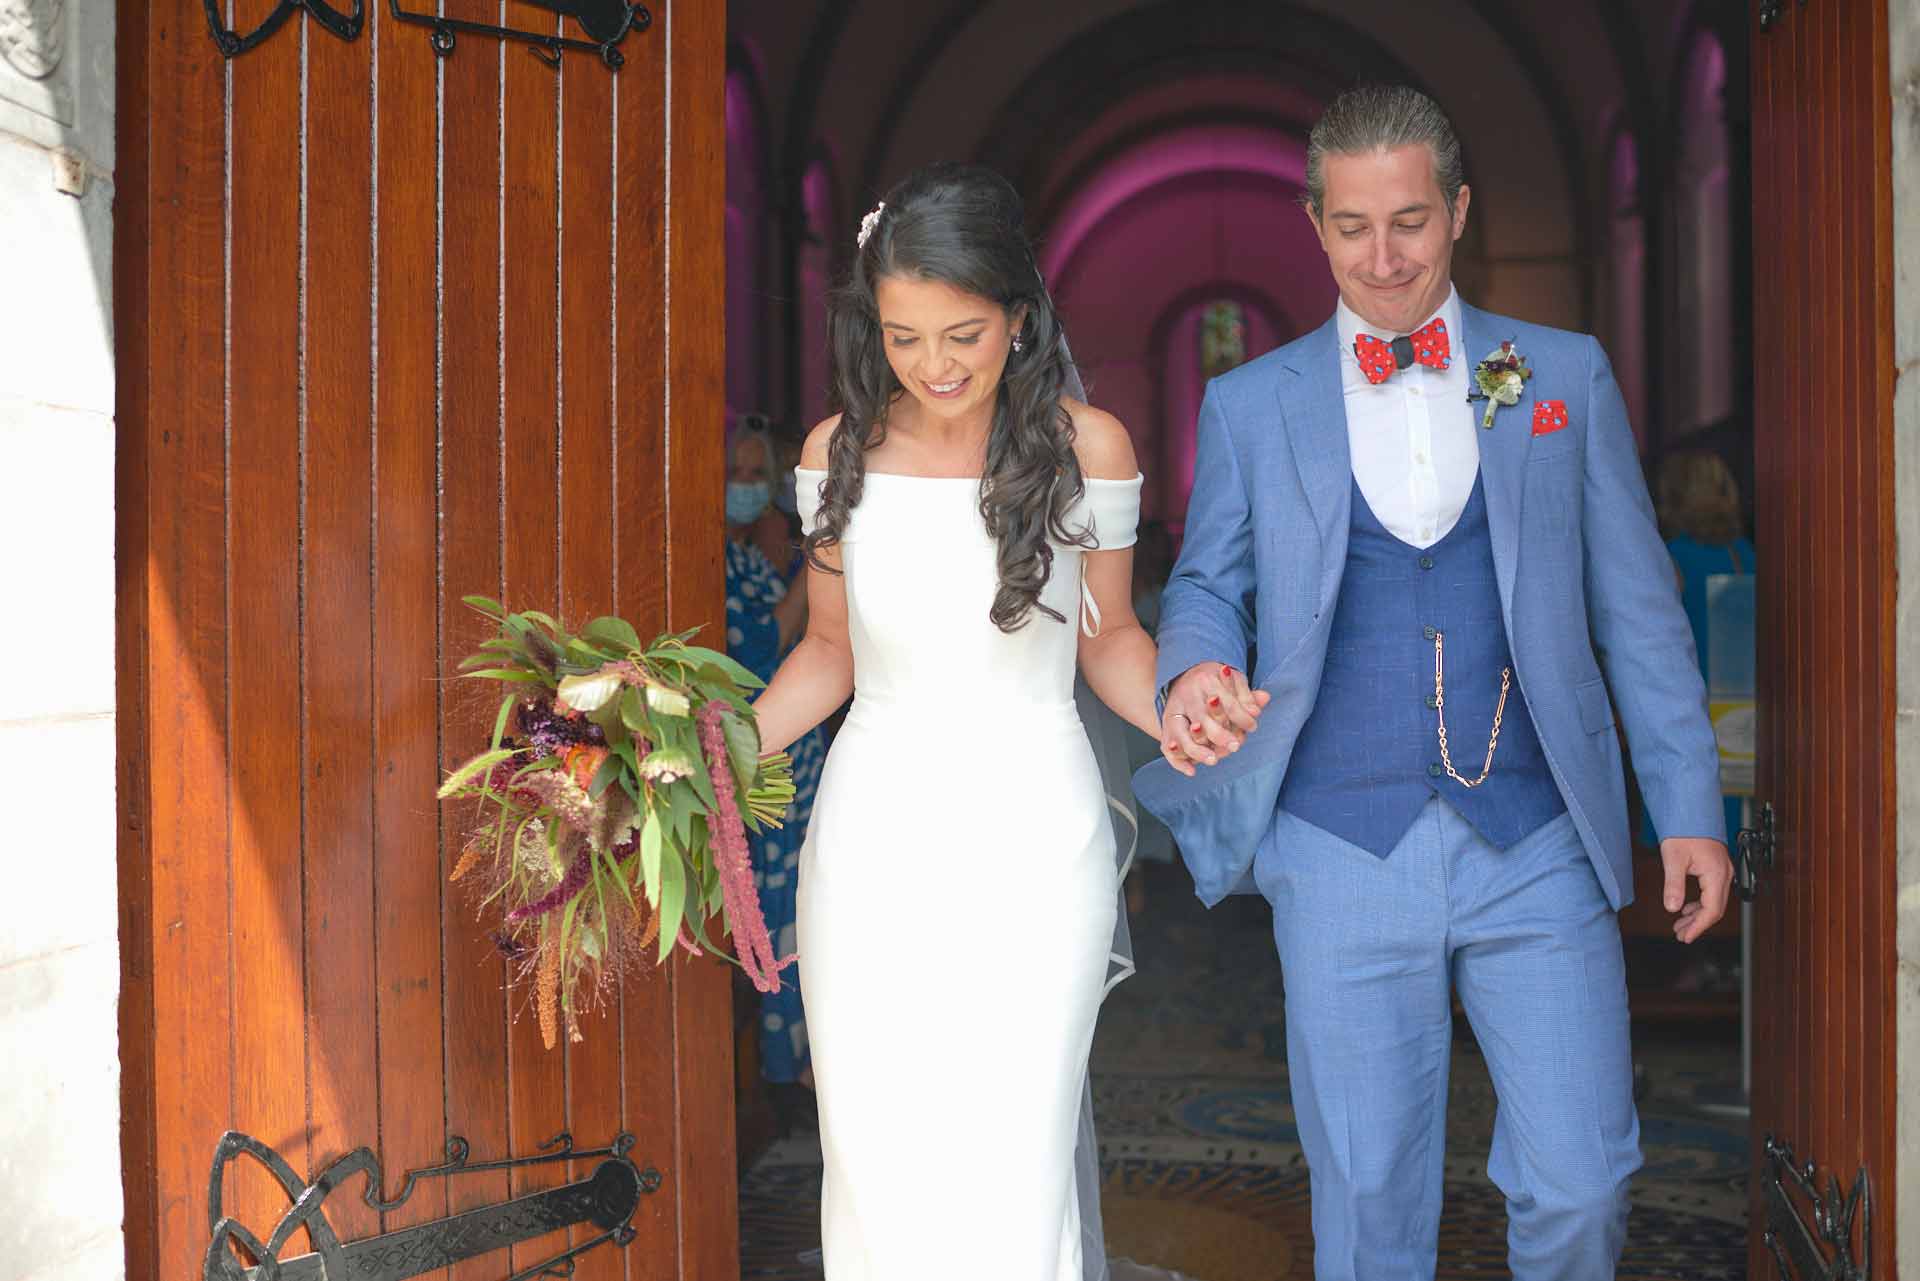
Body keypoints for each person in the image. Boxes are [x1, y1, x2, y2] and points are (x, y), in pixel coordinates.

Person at [1134, 85, 1734, 1281]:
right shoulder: (1254, 404)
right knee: (1366, 1197)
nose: (1384, 254)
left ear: (1456, 211)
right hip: (1339, 842)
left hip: (1538, 835)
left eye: (1409, 220)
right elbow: (1208, 583)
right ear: (1315, 225)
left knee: (1583, 1180)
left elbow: (1640, 616)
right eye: (1353, 226)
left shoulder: (1558, 376)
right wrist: (1196, 661)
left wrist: (1689, 812)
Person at [749, 162, 1256, 1281]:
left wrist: (1176, 701)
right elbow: (827, 654)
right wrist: (718, 748)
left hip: (1038, 834)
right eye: (903, 336)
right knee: (873, 1155)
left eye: (962, 335)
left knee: (1014, 1158)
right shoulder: (837, 455)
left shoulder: (1092, 448)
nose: (932, 367)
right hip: (873, 837)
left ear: (1019, 318)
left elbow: (1110, 636)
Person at [724, 425, 827, 1091]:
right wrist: (818, 569)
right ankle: (786, 1065)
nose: (747, 483)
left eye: (758, 472)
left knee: (805, 902)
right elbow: (760, 647)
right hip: (754, 756)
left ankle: (806, 1063)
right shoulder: (715, 561)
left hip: (795, 753)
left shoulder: (754, 555)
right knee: (772, 907)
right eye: (737, 470)